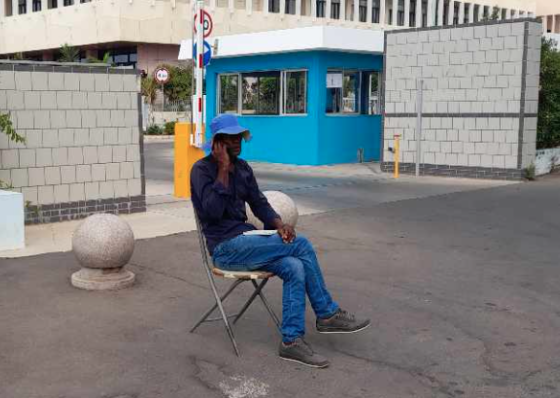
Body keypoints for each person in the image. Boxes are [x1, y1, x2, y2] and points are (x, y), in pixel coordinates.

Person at [190, 114, 370, 368]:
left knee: (294, 266)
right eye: (232, 138)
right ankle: (327, 313)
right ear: (218, 143)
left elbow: (260, 204)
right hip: (225, 248)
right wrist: (222, 169)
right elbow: (211, 212)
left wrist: (278, 224)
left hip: (249, 241)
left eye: (240, 136)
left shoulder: (243, 169)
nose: (239, 142)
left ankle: (291, 341)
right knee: (301, 244)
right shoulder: (202, 170)